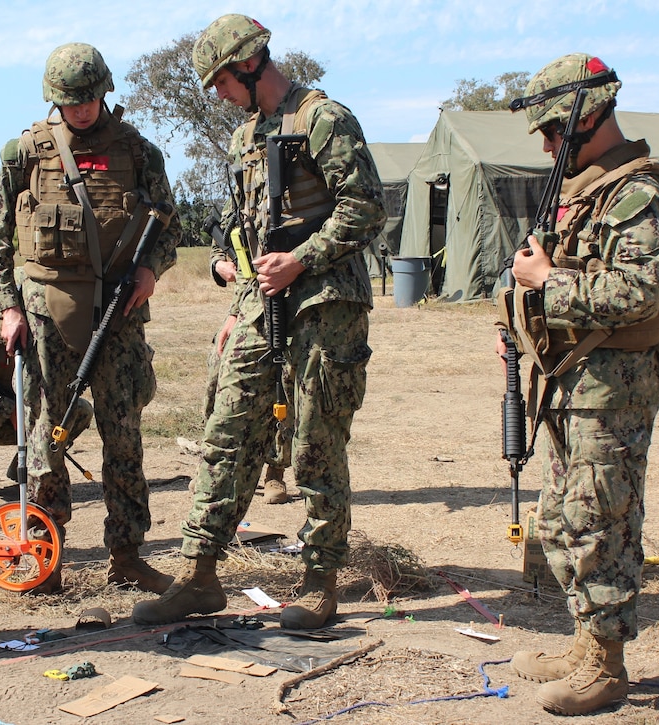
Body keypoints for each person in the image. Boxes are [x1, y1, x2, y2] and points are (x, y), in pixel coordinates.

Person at [133, 14, 386, 629]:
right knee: (227, 428)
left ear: (249, 65)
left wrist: (300, 260)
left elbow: (367, 207)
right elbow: (239, 223)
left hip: (324, 305)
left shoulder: (324, 119)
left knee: (316, 441)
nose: (217, 94)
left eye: (220, 80)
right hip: (259, 301)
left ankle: (320, 579)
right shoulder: (245, 136)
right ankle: (198, 573)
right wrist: (234, 280)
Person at [501, 54, 659, 716]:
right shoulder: (587, 189)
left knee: (601, 523)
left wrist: (547, 282)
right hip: (574, 382)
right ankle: (585, 642)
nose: (548, 148)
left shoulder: (639, 192)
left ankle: (606, 666)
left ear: (587, 120)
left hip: (614, 388)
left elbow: (638, 291)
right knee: (562, 520)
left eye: (553, 134)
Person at [0, 42, 180, 594]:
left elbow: (170, 227)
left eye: (91, 99)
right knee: (48, 434)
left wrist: (151, 271)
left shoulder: (139, 152)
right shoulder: (24, 154)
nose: (83, 110)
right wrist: (9, 305)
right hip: (46, 314)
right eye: (72, 102)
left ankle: (127, 554)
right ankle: (47, 554)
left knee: (124, 433)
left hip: (118, 313)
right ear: (55, 100)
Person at [0, 313, 93, 498]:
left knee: (81, 410)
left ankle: (31, 463)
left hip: (33, 418)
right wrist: (9, 409)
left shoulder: (49, 334)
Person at [206, 242, 292, 504]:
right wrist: (218, 265)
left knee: (281, 384)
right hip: (247, 299)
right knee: (217, 376)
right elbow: (221, 246)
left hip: (283, 297)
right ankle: (217, 469)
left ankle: (274, 470)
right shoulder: (237, 203)